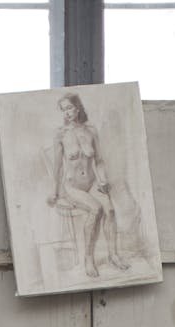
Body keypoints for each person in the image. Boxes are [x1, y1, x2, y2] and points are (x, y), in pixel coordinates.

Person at [47, 92, 129, 279]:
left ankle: (113, 255)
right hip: (72, 187)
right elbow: (57, 167)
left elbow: (98, 160)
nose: (67, 113)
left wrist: (102, 180)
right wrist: (54, 192)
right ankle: (88, 259)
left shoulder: (91, 131)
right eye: (63, 109)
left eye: (69, 107)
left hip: (92, 182)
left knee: (110, 210)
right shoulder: (60, 134)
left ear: (77, 107)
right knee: (96, 209)